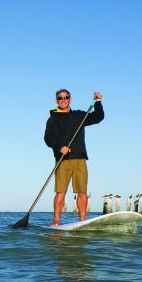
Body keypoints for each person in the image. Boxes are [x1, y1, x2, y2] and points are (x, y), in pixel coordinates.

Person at [44, 89, 104, 226]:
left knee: (82, 192)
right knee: (60, 192)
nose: (63, 100)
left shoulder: (79, 116)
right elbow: (48, 138)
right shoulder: (52, 119)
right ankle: (56, 220)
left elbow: (98, 117)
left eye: (66, 98)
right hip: (62, 160)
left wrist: (98, 102)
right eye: (60, 98)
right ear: (56, 100)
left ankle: (82, 221)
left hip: (80, 158)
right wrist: (59, 147)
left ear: (70, 99)